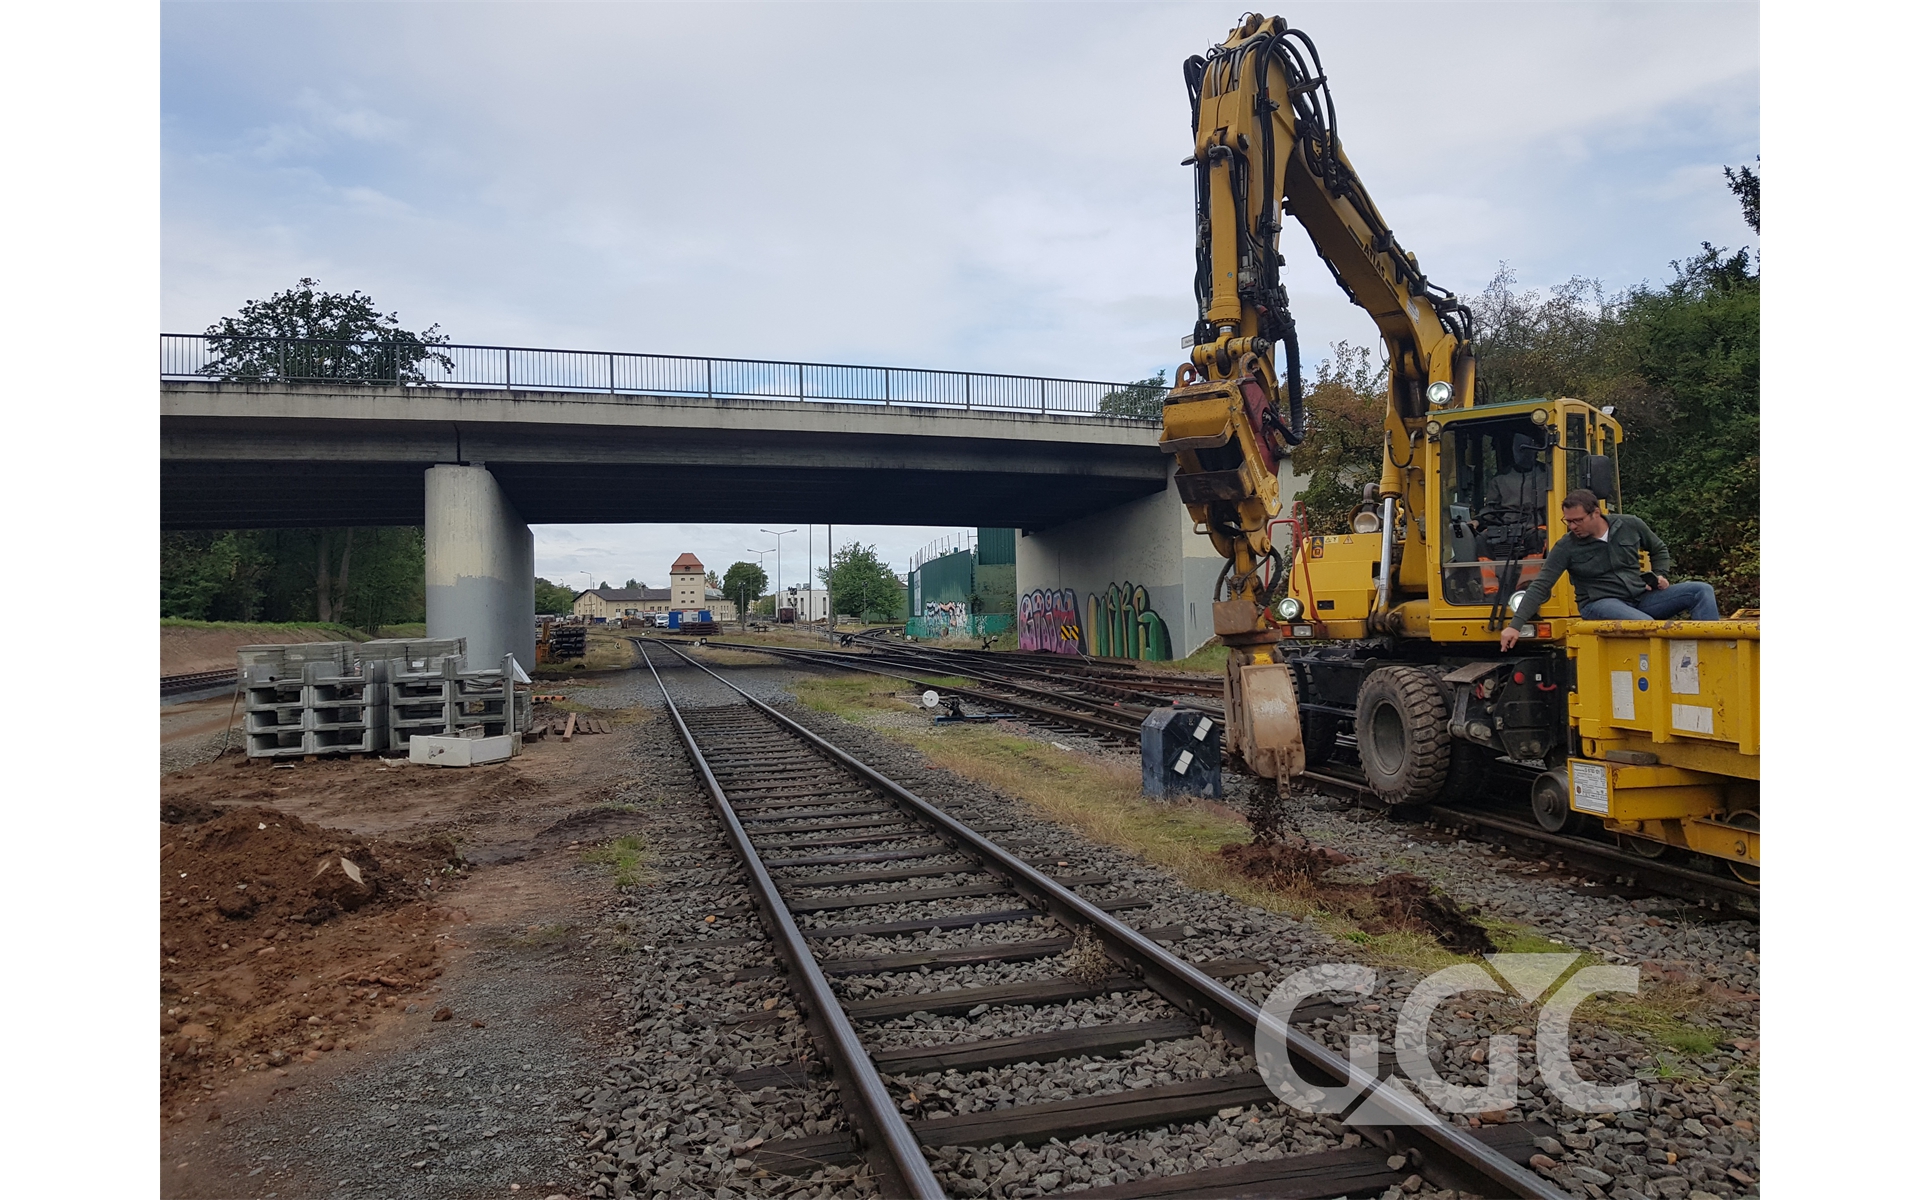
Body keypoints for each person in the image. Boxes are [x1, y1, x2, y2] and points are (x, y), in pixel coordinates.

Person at [1499, 488, 1719, 651]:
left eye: (1577, 520)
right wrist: (1515, 625)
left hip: (1639, 597)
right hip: (1599, 603)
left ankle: (1712, 653)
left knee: (1701, 590)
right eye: (1568, 521)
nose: (1572, 526)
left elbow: (1659, 548)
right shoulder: (1566, 546)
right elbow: (1541, 585)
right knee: (1647, 625)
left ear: (1596, 513)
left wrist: (1660, 574)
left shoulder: (1630, 525)